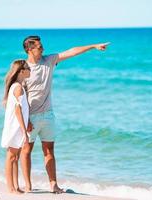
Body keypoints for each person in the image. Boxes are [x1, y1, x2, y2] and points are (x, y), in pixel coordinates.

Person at [20, 36, 109, 193]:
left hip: (48, 115)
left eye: (42, 46)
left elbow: (71, 51)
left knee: (49, 151)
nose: (43, 49)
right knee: (26, 150)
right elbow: (17, 96)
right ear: (29, 49)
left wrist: (94, 46)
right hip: (30, 117)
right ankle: (28, 186)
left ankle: (53, 184)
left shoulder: (49, 61)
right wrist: (24, 119)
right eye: (39, 47)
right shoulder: (24, 69)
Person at [1, 59, 31, 194]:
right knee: (11, 156)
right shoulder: (17, 87)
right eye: (28, 68)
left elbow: (23, 109)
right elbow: (17, 110)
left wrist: (28, 123)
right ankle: (10, 188)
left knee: (16, 157)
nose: (30, 71)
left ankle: (16, 186)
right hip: (15, 127)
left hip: (17, 127)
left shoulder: (18, 86)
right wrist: (24, 131)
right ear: (22, 71)